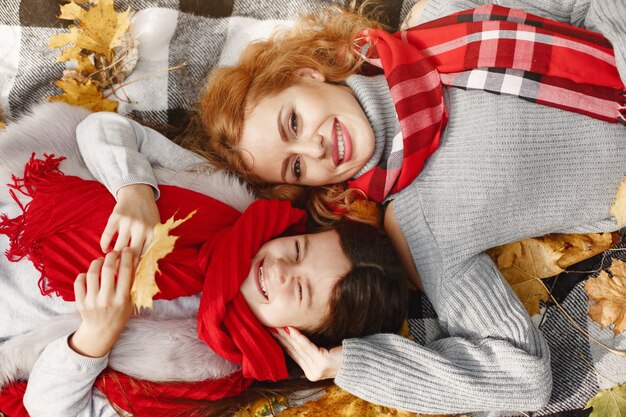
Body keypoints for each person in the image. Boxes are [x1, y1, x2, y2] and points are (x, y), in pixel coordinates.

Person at [69, 0, 626, 414]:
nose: (311, 148)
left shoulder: (442, 19)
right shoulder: (419, 225)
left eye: (292, 122)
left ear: (308, 73)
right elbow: (525, 379)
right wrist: (351, 366)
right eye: (294, 168)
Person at [0, 103, 408, 417]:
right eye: (298, 250)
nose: (281, 269)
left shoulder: (201, 376)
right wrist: (135, 188)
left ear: (301, 337)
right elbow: (100, 128)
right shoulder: (222, 201)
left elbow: (52, 409)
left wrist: (91, 340)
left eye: (300, 290)